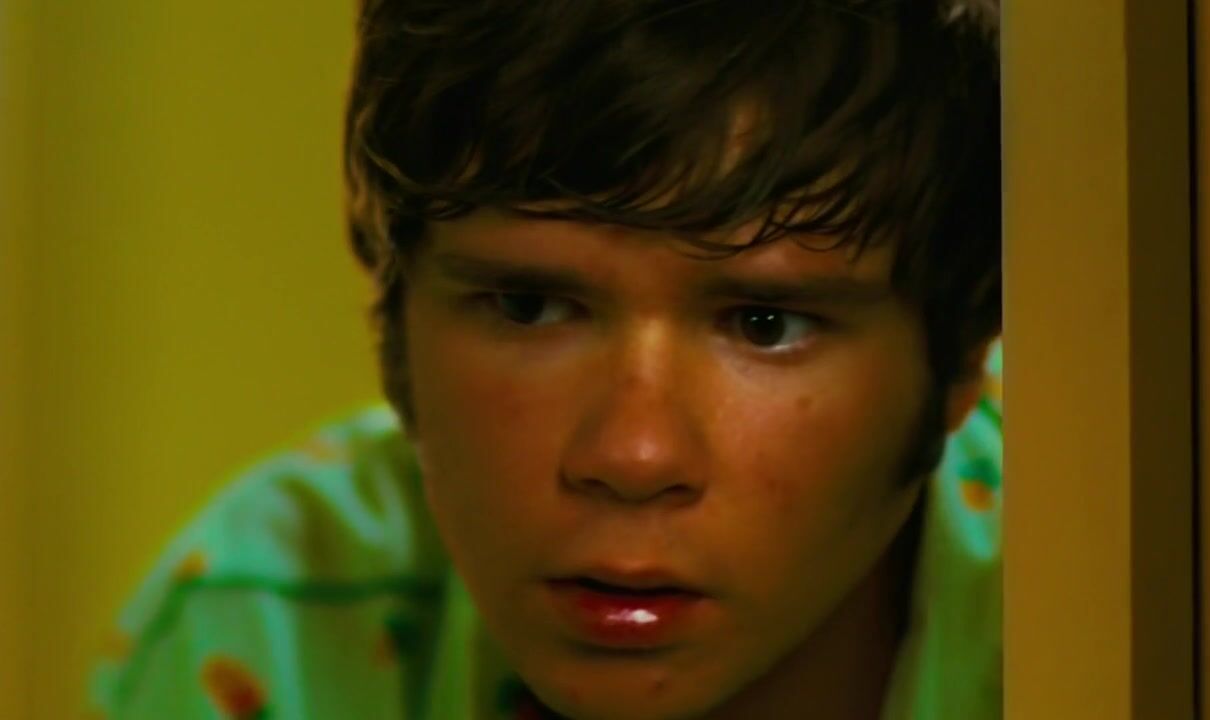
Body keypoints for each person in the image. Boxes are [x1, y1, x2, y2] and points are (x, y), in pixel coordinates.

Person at [91, 0, 1002, 717]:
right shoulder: (278, 625)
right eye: (529, 309)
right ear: (395, 317)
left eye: (765, 325)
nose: (632, 455)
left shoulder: (1064, 614)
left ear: (964, 353)